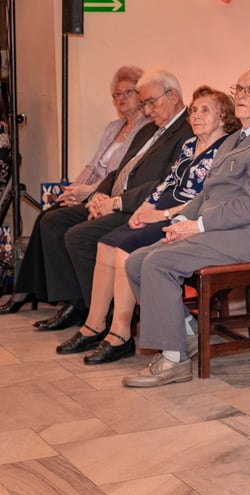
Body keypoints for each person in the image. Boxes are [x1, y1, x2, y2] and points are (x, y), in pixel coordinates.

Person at [121, 68, 250, 388]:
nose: (242, 95)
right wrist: (177, 221)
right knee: (135, 261)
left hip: (247, 237)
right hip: (216, 230)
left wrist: (198, 226)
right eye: (239, 88)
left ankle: (173, 360)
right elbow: (206, 194)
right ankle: (185, 334)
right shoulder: (234, 139)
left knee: (158, 263)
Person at [55, 86, 237, 364]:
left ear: (223, 116)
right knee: (106, 243)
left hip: (184, 216)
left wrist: (162, 215)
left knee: (124, 250)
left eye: (205, 110)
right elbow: (168, 183)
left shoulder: (225, 148)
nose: (196, 115)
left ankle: (120, 334)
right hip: (161, 208)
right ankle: (94, 325)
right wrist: (146, 206)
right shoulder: (189, 145)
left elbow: (207, 198)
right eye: (194, 110)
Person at [18, 69, 192, 331]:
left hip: (138, 209)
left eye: (150, 102)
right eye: (144, 103)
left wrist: (117, 203)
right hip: (115, 199)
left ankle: (103, 315)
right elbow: (119, 170)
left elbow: (163, 185)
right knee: (53, 221)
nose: (147, 110)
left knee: (79, 236)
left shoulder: (186, 131)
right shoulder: (150, 130)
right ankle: (78, 303)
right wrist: (98, 194)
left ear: (174, 96)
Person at [0, 65, 149, 315]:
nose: (121, 99)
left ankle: (68, 299)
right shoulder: (113, 127)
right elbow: (93, 164)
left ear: (141, 95)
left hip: (106, 195)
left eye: (128, 93)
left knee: (53, 221)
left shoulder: (145, 130)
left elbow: (118, 177)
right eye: (117, 95)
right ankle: (28, 291)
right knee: (46, 216)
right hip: (89, 190)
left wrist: (86, 193)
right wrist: (71, 190)